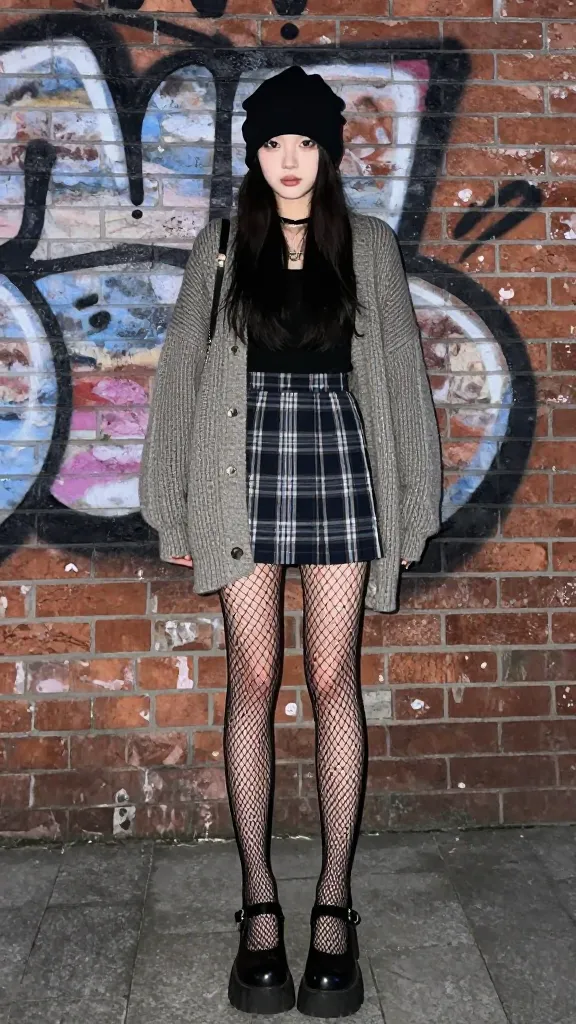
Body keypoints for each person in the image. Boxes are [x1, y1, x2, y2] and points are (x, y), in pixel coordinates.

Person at [140, 65, 442, 1018]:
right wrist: (172, 506)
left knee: (334, 678)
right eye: (272, 142)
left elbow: (402, 382)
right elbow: (182, 374)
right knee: (253, 679)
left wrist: (411, 508)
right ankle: (261, 905)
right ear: (254, 153)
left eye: (305, 141)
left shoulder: (370, 246)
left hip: (340, 464)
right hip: (238, 466)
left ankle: (334, 906)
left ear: (329, 151)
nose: (289, 160)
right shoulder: (224, 247)